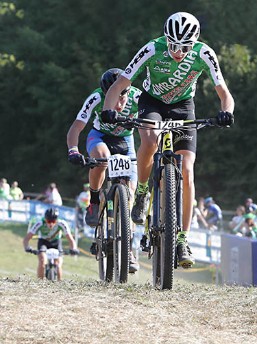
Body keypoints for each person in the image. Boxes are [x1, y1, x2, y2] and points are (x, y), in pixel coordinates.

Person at [101, 12, 234, 268]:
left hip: (184, 107)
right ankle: (141, 192)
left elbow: (224, 93)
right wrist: (110, 109)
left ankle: (182, 239)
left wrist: (226, 112)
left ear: (194, 43)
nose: (177, 51)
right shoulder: (152, 48)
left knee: (187, 170)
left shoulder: (204, 53)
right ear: (166, 39)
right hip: (152, 102)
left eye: (184, 47)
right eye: (173, 45)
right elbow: (121, 83)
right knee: (149, 141)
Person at [67, 68, 142, 272]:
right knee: (102, 158)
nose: (118, 104)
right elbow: (76, 127)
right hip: (99, 136)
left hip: (126, 141)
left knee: (131, 198)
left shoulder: (137, 96)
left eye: (121, 97)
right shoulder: (96, 97)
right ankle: (93, 201)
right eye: (112, 98)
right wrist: (73, 150)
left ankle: (129, 250)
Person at [23, 208, 79, 280]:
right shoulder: (40, 223)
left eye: (53, 221)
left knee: (58, 264)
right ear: (45, 219)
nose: (51, 224)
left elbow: (70, 239)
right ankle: (40, 282)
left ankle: (59, 283)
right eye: (48, 221)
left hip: (56, 242)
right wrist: (27, 247)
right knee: (42, 261)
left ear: (57, 220)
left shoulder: (61, 223)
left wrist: (73, 249)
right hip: (43, 242)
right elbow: (27, 238)